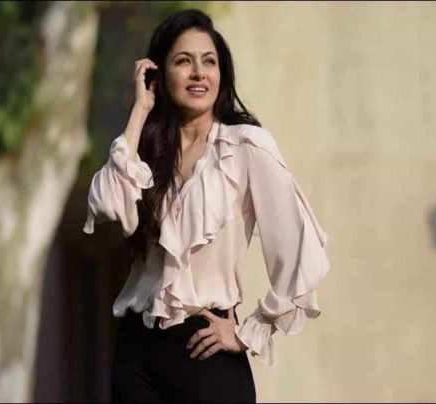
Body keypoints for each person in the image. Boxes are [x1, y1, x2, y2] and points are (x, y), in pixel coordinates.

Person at [83, 8, 330, 403]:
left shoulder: (245, 146)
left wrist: (249, 331)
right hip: (137, 354)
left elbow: (301, 251)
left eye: (209, 61)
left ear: (221, 75)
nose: (198, 73)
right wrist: (140, 111)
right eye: (184, 61)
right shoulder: (145, 152)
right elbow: (107, 204)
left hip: (207, 351)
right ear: (160, 75)